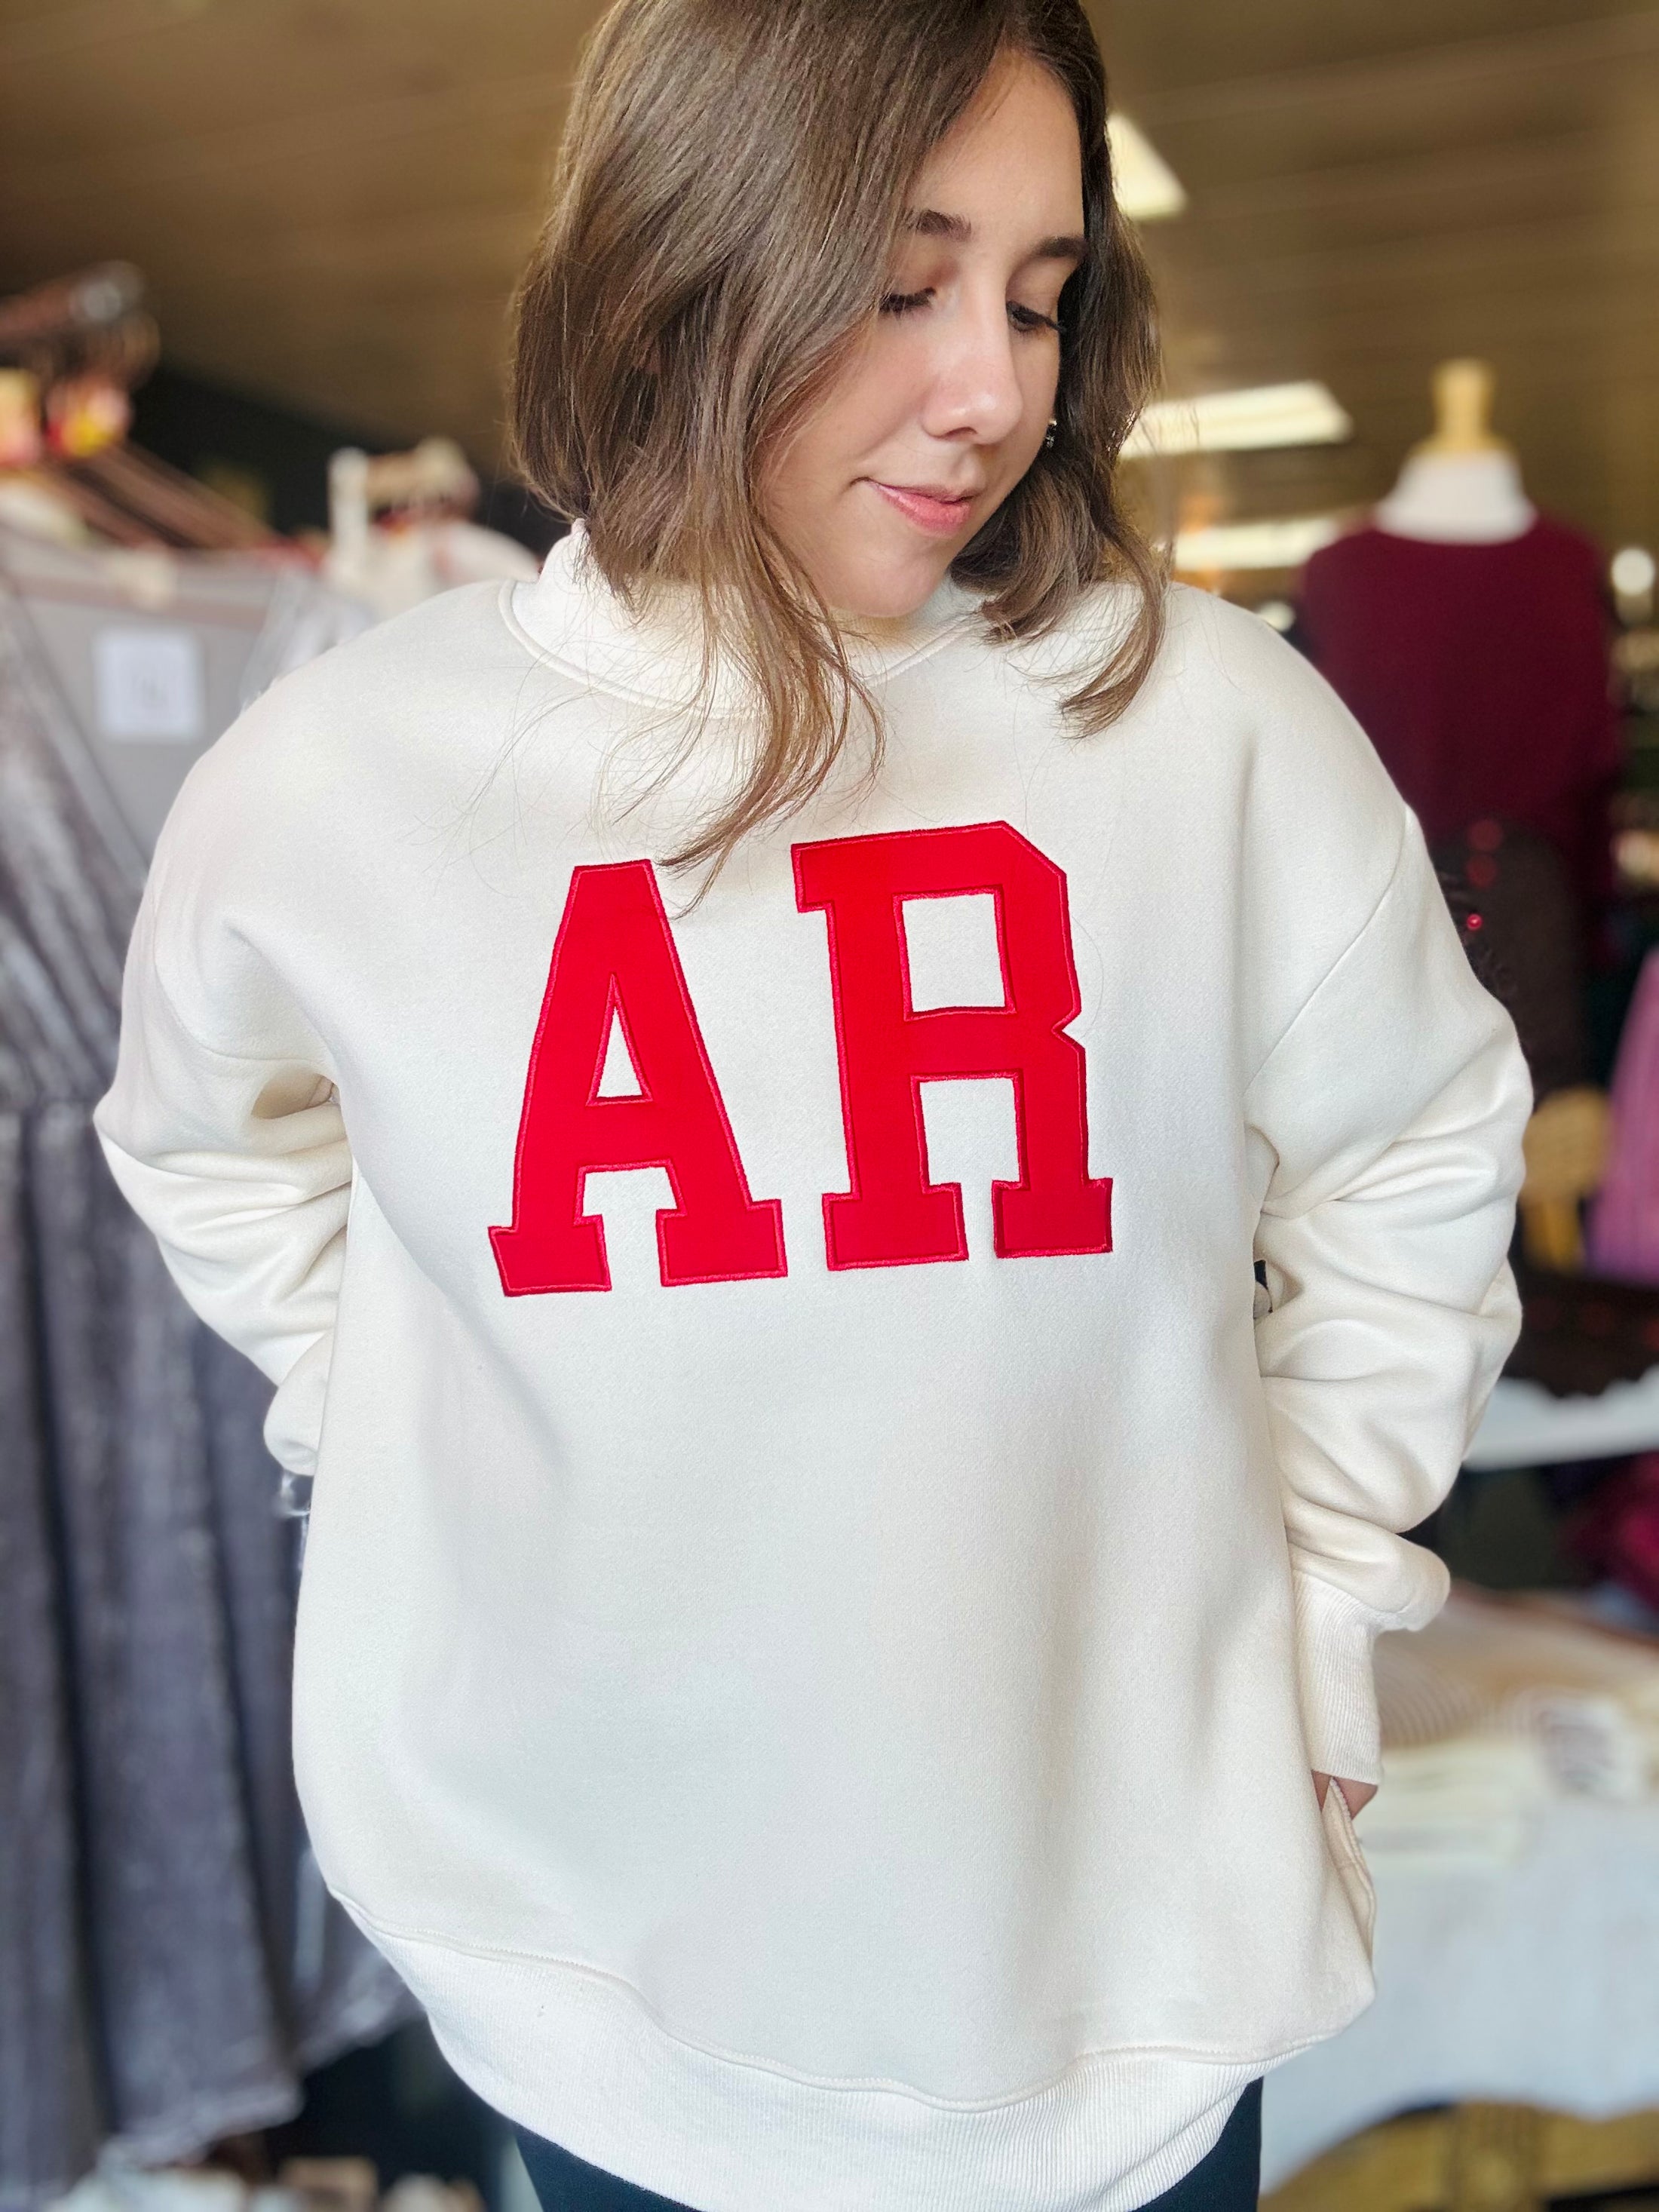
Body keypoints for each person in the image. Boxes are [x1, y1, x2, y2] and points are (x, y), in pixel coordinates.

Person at [94, 2, 1530, 2207]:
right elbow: (202, 1134)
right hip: (606, 1983)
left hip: (1121, 1976)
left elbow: (1415, 1155)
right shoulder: (345, 777)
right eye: (900, 282)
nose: (994, 388)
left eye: (1046, 299)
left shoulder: (1208, 729)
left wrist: (1324, 1609)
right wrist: (398, 1416)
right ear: (687, 252)